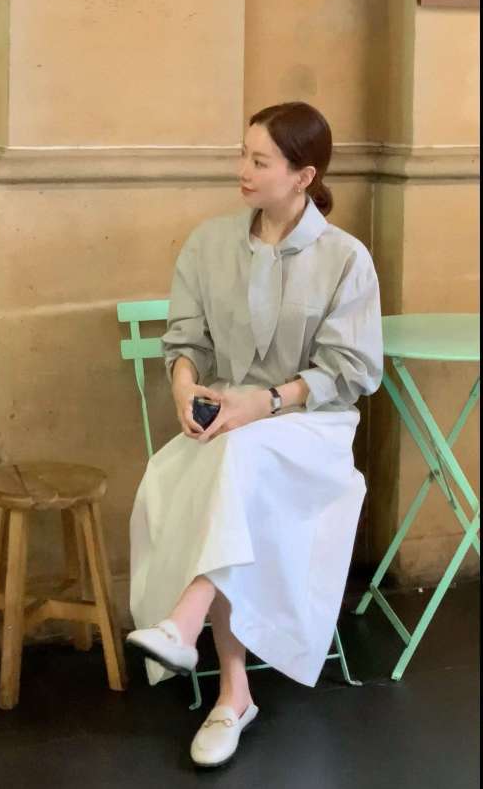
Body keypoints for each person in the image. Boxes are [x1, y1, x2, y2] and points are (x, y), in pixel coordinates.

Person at [126, 101, 383, 768]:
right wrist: (186, 391)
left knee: (231, 461)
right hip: (228, 432)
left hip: (311, 433)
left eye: (259, 160)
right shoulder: (209, 244)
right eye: (243, 154)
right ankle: (233, 691)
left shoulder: (346, 259)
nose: (242, 169)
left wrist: (266, 400)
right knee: (218, 468)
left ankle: (190, 628)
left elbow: (353, 370)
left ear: (304, 175)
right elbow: (184, 341)